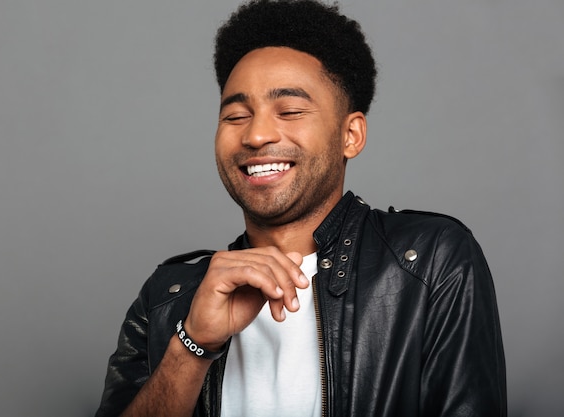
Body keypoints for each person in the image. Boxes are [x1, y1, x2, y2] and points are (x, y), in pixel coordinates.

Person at [94, 1, 507, 416]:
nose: (256, 135)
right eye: (236, 115)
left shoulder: (429, 263)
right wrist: (193, 346)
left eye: (289, 111)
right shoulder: (169, 296)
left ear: (351, 134)